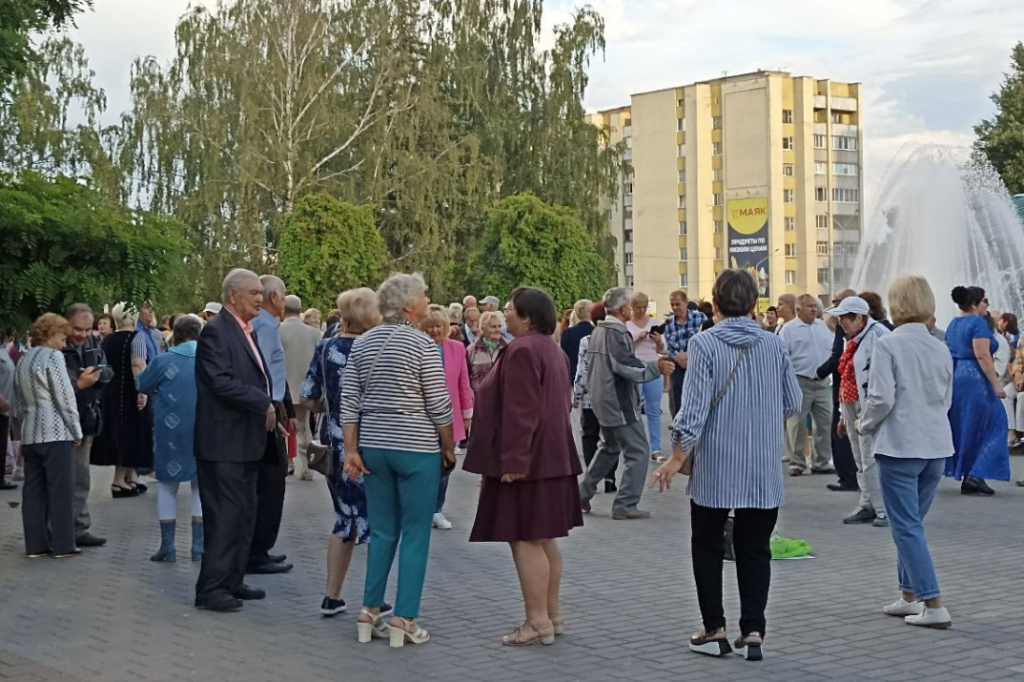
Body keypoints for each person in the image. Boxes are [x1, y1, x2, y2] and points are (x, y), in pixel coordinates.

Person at [650, 269, 801, 661]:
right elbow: (793, 402)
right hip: (762, 468)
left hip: (716, 465)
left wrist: (675, 456)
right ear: (754, 305)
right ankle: (753, 631)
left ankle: (714, 629)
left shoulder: (704, 344)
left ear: (714, 305)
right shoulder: (773, 344)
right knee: (755, 550)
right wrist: (759, 416)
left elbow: (694, 410)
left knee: (707, 545)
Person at [464, 286, 583, 646]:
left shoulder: (521, 349)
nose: (506, 314)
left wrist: (513, 462)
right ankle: (552, 616)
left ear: (527, 316)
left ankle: (536, 622)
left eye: (511, 309)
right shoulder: (552, 349)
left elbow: (521, 410)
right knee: (543, 539)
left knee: (526, 539)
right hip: (552, 457)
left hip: (528, 462)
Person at [341, 273, 455, 647]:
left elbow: (350, 402)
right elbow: (438, 404)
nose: (427, 300)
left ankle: (370, 610)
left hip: (373, 447)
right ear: (408, 305)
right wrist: (449, 445)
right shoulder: (422, 345)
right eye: (423, 295)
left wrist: (352, 449)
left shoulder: (363, 343)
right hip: (416, 447)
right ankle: (404, 618)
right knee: (416, 533)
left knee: (383, 530)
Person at [858, 275, 954, 629]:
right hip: (936, 446)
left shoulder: (888, 344)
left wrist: (863, 425)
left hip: (900, 446)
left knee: (906, 527)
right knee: (911, 524)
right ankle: (909, 595)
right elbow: (946, 400)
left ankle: (934, 603)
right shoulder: (940, 346)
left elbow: (881, 398)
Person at [300, 288, 386, 618]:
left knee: (345, 517)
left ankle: (332, 595)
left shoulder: (326, 346)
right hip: (369, 441)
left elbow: (308, 396)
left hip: (334, 441)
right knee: (379, 519)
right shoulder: (374, 348)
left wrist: (332, 408)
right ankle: (373, 600)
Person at [194, 268, 276, 612]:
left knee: (244, 513)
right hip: (223, 441)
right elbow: (219, 381)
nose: (262, 298)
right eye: (254, 292)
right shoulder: (215, 332)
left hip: (246, 440)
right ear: (232, 296)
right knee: (226, 515)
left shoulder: (247, 330)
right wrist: (262, 402)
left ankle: (232, 579)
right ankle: (211, 589)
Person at [578, 287, 675, 520]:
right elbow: (625, 365)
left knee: (610, 447)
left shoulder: (600, 329)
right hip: (618, 401)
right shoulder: (616, 331)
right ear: (623, 309)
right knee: (639, 451)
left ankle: (581, 495)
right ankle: (625, 504)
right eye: (630, 306)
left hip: (601, 399)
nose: (632, 310)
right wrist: (656, 367)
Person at [14, 313, 83, 559]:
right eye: (63, 338)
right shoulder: (53, 357)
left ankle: (36, 545)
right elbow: (65, 398)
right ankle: (64, 545)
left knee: (33, 492)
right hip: (55, 432)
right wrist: (76, 430)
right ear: (52, 334)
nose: (64, 344)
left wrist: (23, 426)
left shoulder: (23, 360)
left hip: (30, 433)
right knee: (61, 490)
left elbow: (17, 402)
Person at [137, 315, 204, 562]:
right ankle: (199, 547)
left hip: (170, 432)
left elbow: (142, 385)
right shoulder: (211, 360)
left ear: (175, 334)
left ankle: (168, 547)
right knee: (201, 487)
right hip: (203, 430)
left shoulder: (163, 361)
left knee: (167, 487)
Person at [826, 296, 891, 527]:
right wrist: (844, 416)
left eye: (844, 317)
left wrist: (869, 413)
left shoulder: (876, 336)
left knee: (869, 457)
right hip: (851, 403)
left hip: (865, 407)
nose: (840, 322)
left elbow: (878, 376)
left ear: (859, 317)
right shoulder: (854, 338)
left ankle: (882, 508)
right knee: (860, 457)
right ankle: (868, 504)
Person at [248, 275, 296, 575]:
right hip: (266, 410)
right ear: (275, 297)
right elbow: (262, 371)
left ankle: (261, 547)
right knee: (269, 484)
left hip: (272, 406)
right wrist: (273, 409)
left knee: (271, 483)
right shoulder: (264, 326)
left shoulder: (265, 325)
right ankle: (257, 551)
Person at [945, 286, 1009, 494]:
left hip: (957, 377)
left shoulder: (953, 324)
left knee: (967, 425)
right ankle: (975, 474)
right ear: (974, 303)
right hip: (975, 379)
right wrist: (996, 385)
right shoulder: (978, 324)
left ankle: (969, 475)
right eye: (984, 300)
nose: (987, 304)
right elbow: (983, 356)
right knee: (996, 423)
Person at [62, 303, 113, 547]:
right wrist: (79, 383)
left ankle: (79, 528)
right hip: (63, 423)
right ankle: (62, 531)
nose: (82, 334)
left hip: (86, 420)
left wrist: (97, 375)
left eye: (86, 329)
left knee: (81, 478)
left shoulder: (94, 344)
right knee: (64, 480)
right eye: (77, 329)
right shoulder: (57, 348)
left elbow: (108, 371)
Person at [418, 309, 473, 530]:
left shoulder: (457, 348)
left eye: (438, 326)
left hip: (449, 417)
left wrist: (467, 412)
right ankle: (418, 508)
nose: (434, 330)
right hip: (420, 417)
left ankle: (436, 510)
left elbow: (463, 381)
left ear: (446, 327)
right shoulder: (417, 348)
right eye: (429, 326)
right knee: (421, 466)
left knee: (444, 465)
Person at [92, 304, 153, 496]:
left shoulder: (107, 340)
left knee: (121, 433)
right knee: (130, 434)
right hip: (130, 393)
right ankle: (118, 481)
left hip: (111, 392)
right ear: (134, 319)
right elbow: (138, 364)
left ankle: (131, 475)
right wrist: (142, 391)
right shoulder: (137, 338)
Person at [780, 294, 835, 476]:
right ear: (798, 309)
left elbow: (832, 350)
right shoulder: (788, 330)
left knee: (825, 422)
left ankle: (821, 461)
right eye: (809, 306)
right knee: (797, 424)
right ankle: (797, 463)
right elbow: (783, 358)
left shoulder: (823, 327)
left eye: (815, 306)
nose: (814, 309)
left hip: (822, 383)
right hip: (799, 381)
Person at [816, 289, 861, 493]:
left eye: (836, 303)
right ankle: (851, 475)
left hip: (845, 390)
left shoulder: (845, 330)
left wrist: (820, 372)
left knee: (841, 433)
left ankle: (848, 477)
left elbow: (837, 358)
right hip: (846, 388)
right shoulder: (847, 329)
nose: (833, 308)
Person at [572, 304, 616, 492]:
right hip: (611, 399)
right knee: (611, 440)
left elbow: (582, 370)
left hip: (591, 398)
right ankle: (610, 479)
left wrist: (577, 394)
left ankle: (591, 478)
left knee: (590, 437)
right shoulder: (616, 339)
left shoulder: (587, 341)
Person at [279, 294, 323, 482]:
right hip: (310, 390)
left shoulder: (277, 332)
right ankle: (307, 468)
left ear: (283, 309)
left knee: (286, 429)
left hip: (284, 389)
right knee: (306, 429)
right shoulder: (315, 334)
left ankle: (289, 463)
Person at [626, 292, 666, 461]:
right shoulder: (626, 324)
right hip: (634, 368)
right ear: (632, 307)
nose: (641, 310)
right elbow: (623, 349)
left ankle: (655, 448)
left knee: (653, 409)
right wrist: (637, 338)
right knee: (633, 409)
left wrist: (657, 341)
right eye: (637, 308)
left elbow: (663, 350)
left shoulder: (654, 323)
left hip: (653, 366)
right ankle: (635, 445)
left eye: (644, 307)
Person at [663, 289, 707, 418]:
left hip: (697, 364)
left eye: (678, 304)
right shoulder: (668, 323)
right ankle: (679, 427)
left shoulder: (700, 317)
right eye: (672, 304)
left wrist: (689, 355)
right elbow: (668, 348)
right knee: (677, 399)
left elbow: (707, 339)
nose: (675, 307)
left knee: (697, 399)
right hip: (677, 366)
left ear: (686, 303)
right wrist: (677, 357)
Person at [467, 311, 508, 395]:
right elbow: (465, 377)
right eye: (493, 326)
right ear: (483, 328)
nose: (497, 330)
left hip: (502, 397)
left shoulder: (508, 347)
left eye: (499, 326)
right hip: (479, 398)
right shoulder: (472, 350)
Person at [559, 299, 593, 383]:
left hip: (572, 375)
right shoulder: (596, 332)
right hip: (591, 377)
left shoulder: (568, 332)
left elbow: (563, 354)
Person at [0, 342, 15, 490]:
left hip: (5, 408)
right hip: (1, 404)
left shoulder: (2, 349)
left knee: (2, 444)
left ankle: (1, 478)